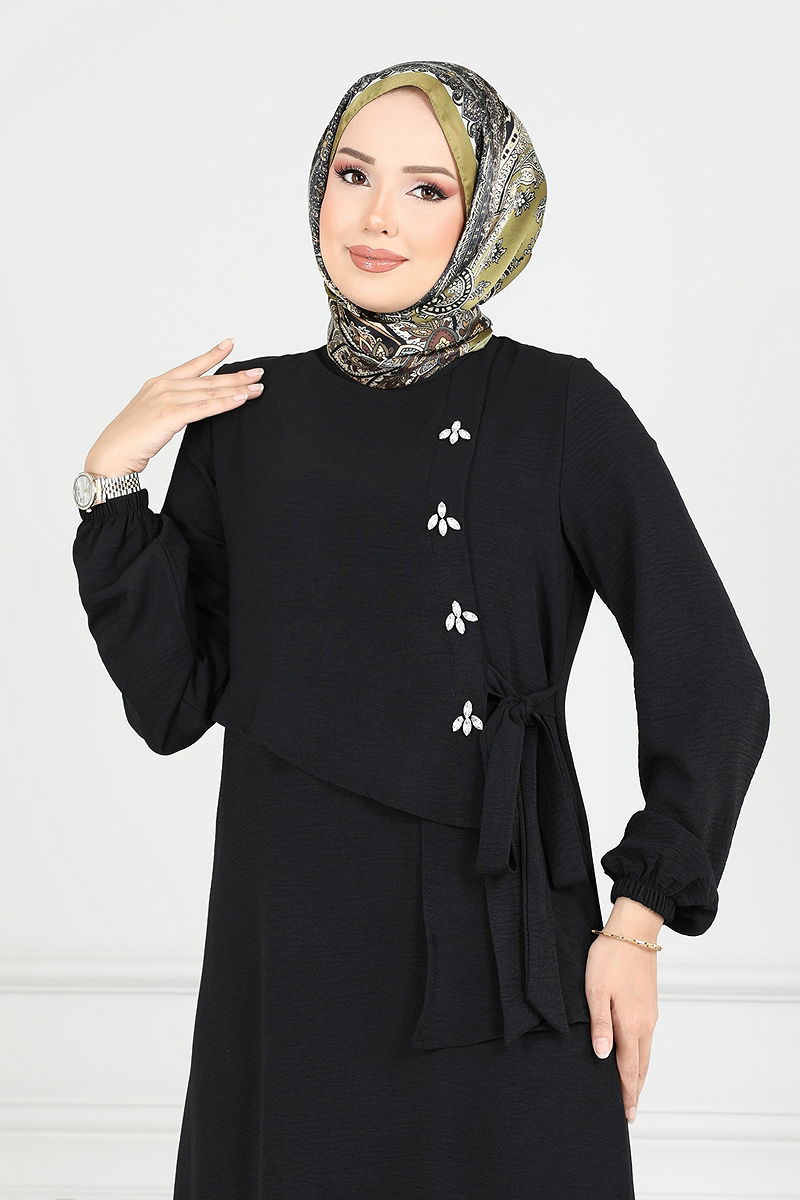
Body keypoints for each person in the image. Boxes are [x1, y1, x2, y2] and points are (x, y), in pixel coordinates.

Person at [71, 60, 770, 1200]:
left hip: (498, 940)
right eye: (352, 176)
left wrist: (637, 921)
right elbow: (173, 703)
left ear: (486, 214)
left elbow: (713, 678)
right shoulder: (244, 417)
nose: (377, 218)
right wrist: (111, 482)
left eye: (427, 188)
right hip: (290, 945)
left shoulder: (559, 409)